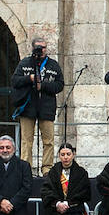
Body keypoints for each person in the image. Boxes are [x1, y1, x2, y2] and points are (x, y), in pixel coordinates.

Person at [11, 38, 65, 175]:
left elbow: (60, 85)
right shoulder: (25, 63)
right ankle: (26, 168)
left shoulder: (53, 65)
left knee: (48, 141)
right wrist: (29, 79)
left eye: (44, 47)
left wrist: (44, 85)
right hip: (28, 107)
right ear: (33, 48)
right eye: (39, 47)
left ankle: (47, 168)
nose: (41, 50)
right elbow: (15, 81)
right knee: (26, 140)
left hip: (46, 108)